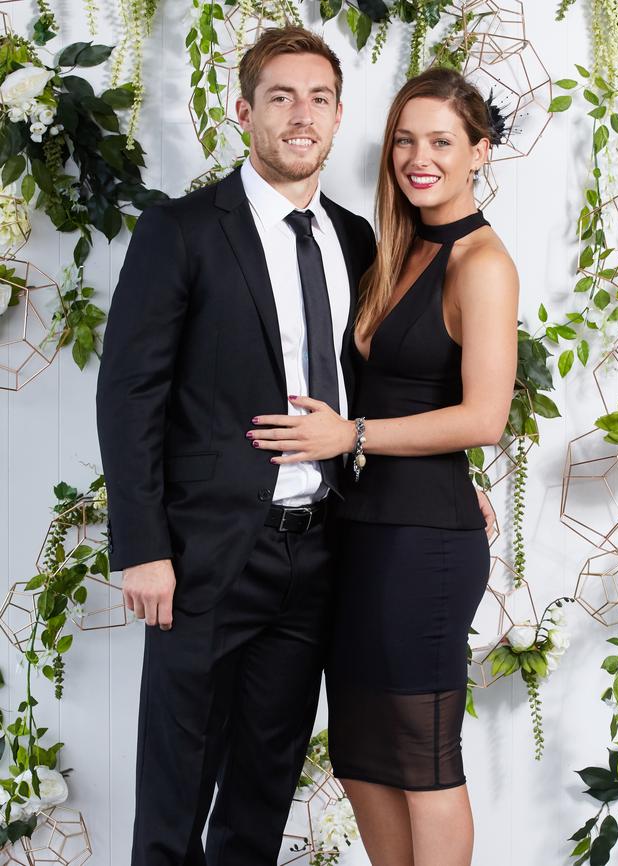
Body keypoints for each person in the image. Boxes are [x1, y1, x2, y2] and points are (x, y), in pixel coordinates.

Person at [97, 23, 495, 863]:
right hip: (203, 560)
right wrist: (142, 548)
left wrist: (461, 476)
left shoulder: (357, 242)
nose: (301, 114)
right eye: (280, 96)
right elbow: (129, 391)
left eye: (318, 98)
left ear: (340, 115)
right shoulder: (184, 229)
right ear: (245, 111)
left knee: (262, 791)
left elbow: (404, 376)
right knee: (176, 790)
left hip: (319, 558)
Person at [247, 67, 519, 866]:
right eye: (405, 139)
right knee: (364, 759)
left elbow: (485, 416)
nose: (418, 156)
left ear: (480, 152)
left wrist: (353, 436)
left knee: (421, 759)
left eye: (441, 141)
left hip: (422, 546)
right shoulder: (390, 247)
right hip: (363, 534)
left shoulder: (482, 263)